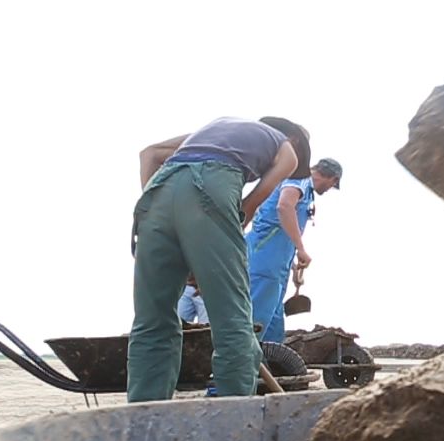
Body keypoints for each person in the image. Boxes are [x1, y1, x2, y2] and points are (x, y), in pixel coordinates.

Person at [127, 115, 311, 402]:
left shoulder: (209, 132)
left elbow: (148, 155)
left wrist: (177, 231)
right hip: (212, 186)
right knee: (232, 319)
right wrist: (205, 257)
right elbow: (246, 211)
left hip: (156, 195)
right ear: (296, 141)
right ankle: (235, 413)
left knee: (153, 322)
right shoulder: (286, 147)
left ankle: (144, 418)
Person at [246, 156, 342, 343]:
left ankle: (272, 365)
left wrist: (294, 265)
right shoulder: (300, 179)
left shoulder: (306, 191)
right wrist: (301, 249)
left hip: (278, 263)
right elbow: (284, 206)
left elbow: (282, 230)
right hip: (264, 260)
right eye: (332, 185)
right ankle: (242, 367)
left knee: (273, 321)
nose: (329, 189)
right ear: (332, 178)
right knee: (256, 316)